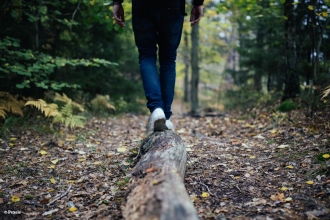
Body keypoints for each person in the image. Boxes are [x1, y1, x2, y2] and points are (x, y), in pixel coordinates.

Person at [113, 0, 203, 133]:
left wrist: (117, 2)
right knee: (168, 59)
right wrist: (198, 3)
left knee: (147, 55)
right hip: (173, 6)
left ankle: (157, 109)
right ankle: (165, 117)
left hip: (142, 5)